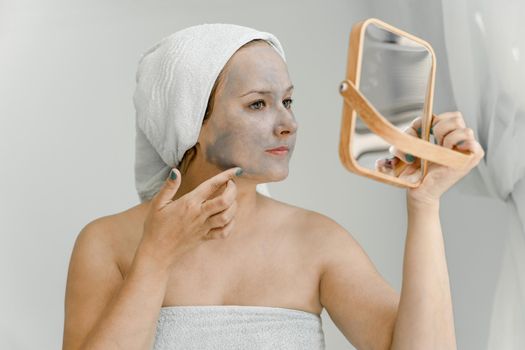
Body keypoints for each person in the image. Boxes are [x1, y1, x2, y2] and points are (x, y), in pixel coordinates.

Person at [62, 23, 484, 350]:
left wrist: (425, 204)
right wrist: (155, 257)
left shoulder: (316, 242)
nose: (288, 124)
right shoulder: (107, 244)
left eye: (288, 101)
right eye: (258, 104)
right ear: (190, 121)